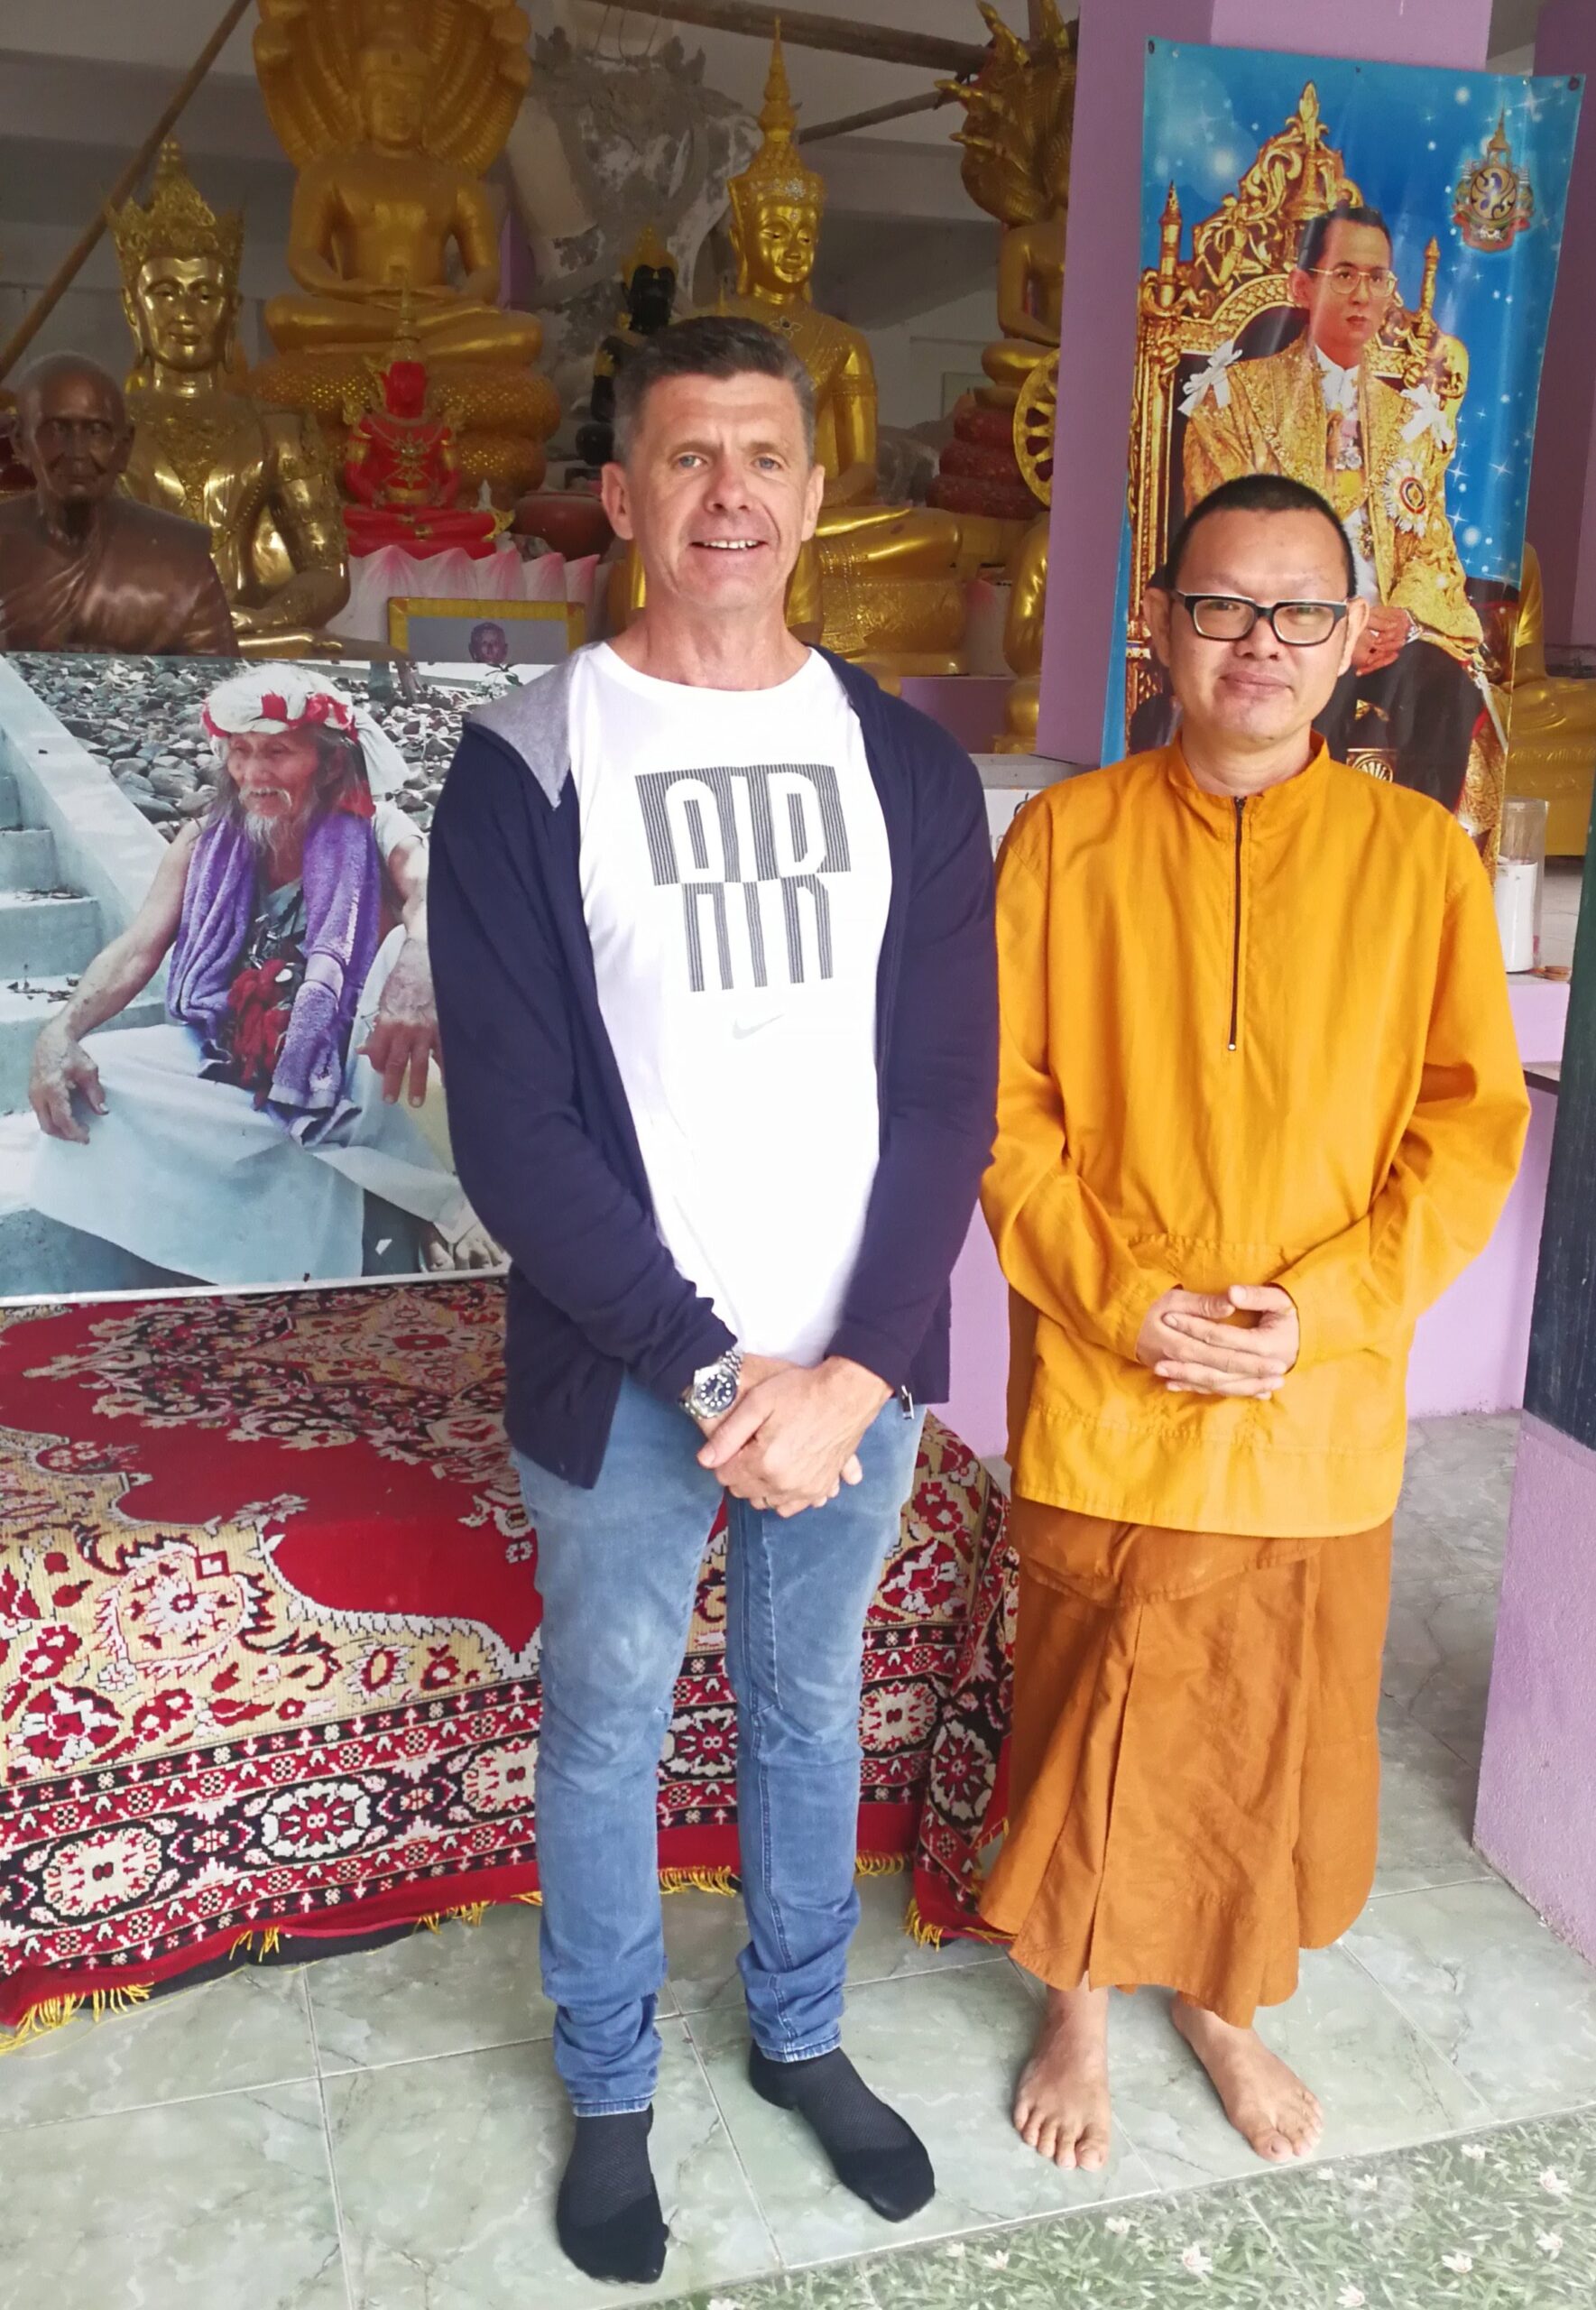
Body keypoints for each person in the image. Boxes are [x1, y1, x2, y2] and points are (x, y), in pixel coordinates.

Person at [428, 313, 996, 2287]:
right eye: (686, 456)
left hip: (850, 1370)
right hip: (626, 1369)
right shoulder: (527, 763)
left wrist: (847, 1371)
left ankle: (800, 2033)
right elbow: (511, 1130)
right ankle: (607, 2089)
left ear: (815, 496)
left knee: (806, 1702)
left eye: (762, 455)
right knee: (604, 1721)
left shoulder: (904, 765)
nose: (727, 494)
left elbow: (945, 1092)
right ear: (620, 494)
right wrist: (701, 1366)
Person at [981, 473, 1527, 2175]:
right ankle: (1076, 1995)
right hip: (1109, 1374)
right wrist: (1124, 1302)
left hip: (1315, 1392)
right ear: (1157, 624)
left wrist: (1319, 1314)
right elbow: (1000, 1116)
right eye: (1220, 605)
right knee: (1088, 1696)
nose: (1257, 644)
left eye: (1297, 611)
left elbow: (1465, 1126)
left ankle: (1222, 1998)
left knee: (1267, 1720)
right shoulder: (1063, 841)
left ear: (1354, 640)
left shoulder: (1417, 860)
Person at [28, 669, 489, 1284]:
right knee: (100, 1074)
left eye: (277, 752)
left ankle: (442, 1197)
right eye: (241, 752)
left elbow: (434, 894)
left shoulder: (377, 830)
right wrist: (60, 1031)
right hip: (247, 1059)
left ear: (329, 763)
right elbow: (138, 949)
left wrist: (417, 961)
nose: (253, 773)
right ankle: (342, 1192)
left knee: (424, 961)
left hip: (355, 1061)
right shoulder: (203, 842)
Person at [1183, 205, 1484, 809]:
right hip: (1284, 626)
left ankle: (1414, 850)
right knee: (1318, 685)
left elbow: (1431, 550)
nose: (1362, 295)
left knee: (1450, 691)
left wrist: (1401, 619)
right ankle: (1299, 845)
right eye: (1343, 275)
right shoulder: (1234, 400)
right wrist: (1333, 620)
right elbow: (1222, 541)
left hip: (1387, 635)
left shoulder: (1410, 421)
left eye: (1377, 279)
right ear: (1302, 286)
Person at [0, 352, 237, 656]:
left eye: (96, 431)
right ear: (20, 442)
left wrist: (125, 677)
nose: (78, 452)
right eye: (57, 429)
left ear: (124, 447)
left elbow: (220, 680)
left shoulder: (181, 561)